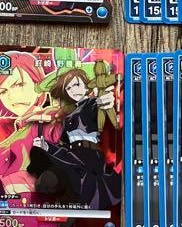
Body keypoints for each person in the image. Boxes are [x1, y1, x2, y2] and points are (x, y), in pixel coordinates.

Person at [27, 67, 120, 210]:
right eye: (69, 88)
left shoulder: (90, 104)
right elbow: (65, 145)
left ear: (86, 85)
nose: (73, 90)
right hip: (73, 154)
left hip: (88, 156)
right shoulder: (69, 116)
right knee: (39, 155)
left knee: (75, 186)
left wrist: (105, 101)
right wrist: (46, 146)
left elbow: (99, 105)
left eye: (76, 84)